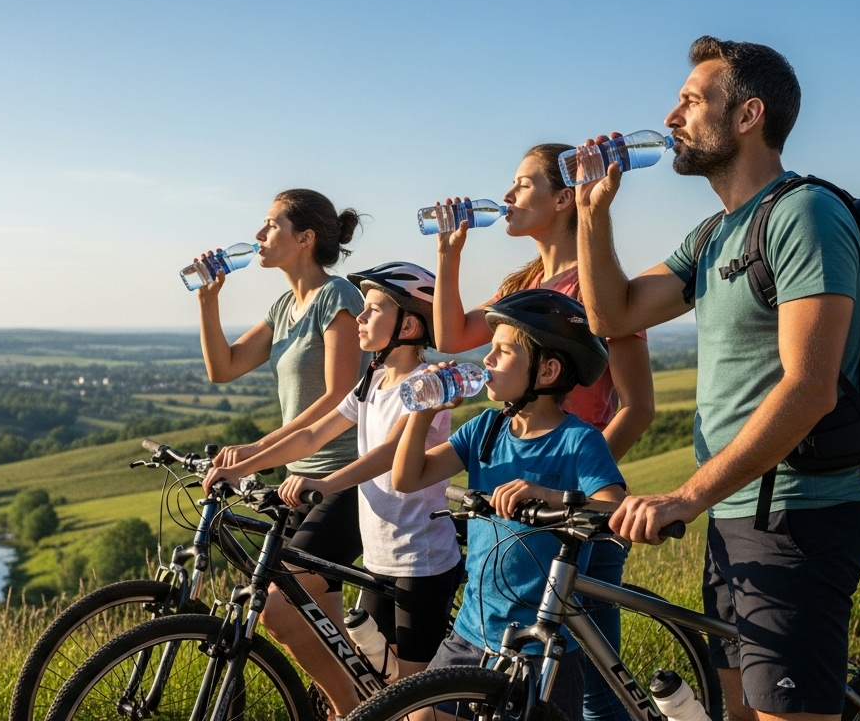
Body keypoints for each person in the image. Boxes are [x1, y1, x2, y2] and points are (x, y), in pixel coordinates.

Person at [574, 36, 860, 721]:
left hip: (800, 514)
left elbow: (809, 387)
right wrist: (593, 215)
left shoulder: (805, 215)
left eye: (690, 100)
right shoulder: (713, 234)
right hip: (736, 513)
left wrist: (685, 496)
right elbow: (611, 313)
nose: (672, 116)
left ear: (748, 115)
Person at [432, 145, 655, 720]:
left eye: (523, 184)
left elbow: (638, 406)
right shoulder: (526, 284)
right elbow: (452, 335)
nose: (506, 197)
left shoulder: (595, 285)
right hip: (522, 514)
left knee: (593, 686)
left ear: (563, 198)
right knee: (536, 677)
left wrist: (576, 484)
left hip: (573, 509)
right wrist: (447, 253)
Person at [209, 262, 462, 719]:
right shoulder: (372, 381)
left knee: (416, 708)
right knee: (387, 696)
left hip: (421, 561)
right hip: (381, 558)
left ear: (407, 324)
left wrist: (326, 483)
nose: (360, 318)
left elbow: (389, 453)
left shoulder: (424, 387)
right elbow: (310, 436)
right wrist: (243, 466)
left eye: (371, 310)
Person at [392, 289, 628, 719]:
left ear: (548, 370)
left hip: (542, 645)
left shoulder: (579, 440)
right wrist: (422, 412)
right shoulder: (487, 428)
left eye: (502, 352)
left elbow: (613, 510)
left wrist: (553, 495)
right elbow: (407, 477)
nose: (486, 361)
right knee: (419, 715)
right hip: (471, 630)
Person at [193, 188, 369, 713]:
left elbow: (339, 397)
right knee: (324, 627)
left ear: (305, 238)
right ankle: (362, 700)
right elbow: (222, 367)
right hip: (300, 484)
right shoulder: (283, 306)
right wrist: (208, 299)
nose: (259, 236)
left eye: (271, 226)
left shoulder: (340, 299)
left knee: (279, 611)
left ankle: (354, 711)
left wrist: (252, 455)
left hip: (345, 481)